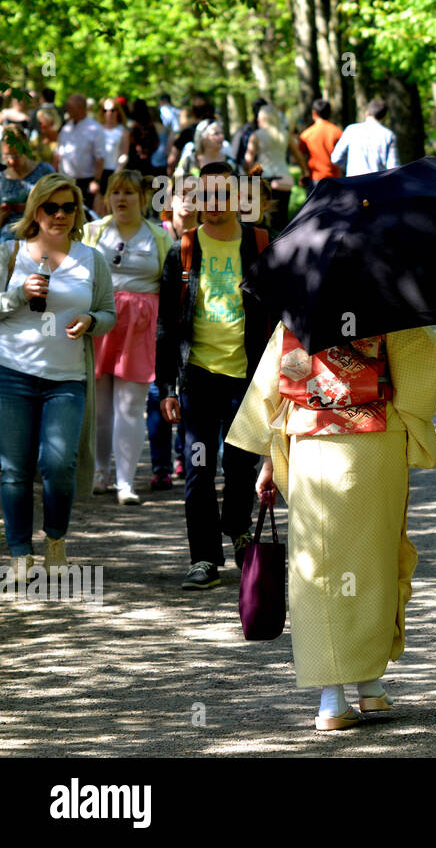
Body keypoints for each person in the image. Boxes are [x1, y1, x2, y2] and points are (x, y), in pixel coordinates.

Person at [226, 320, 436, 731]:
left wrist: (270, 460)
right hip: (375, 442)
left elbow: (274, 386)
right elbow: (422, 372)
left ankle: (335, 698)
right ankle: (370, 684)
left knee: (319, 567)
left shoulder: (301, 308)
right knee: (375, 559)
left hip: (312, 443)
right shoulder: (386, 306)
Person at [155, 161, 271, 590]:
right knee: (199, 469)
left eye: (222, 196)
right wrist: (166, 387)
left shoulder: (260, 245)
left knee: (240, 465)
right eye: (205, 196)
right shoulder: (184, 249)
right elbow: (166, 325)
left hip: (248, 377)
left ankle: (239, 533)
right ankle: (204, 557)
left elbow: (280, 312)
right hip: (198, 377)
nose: (213, 205)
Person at [0, 174, 116, 582]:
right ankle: (19, 555)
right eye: (52, 207)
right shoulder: (9, 252)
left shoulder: (92, 258)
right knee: (13, 470)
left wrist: (90, 319)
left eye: (69, 207)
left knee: (58, 464)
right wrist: (18, 294)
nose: (61, 215)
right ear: (36, 210)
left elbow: (108, 314)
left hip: (67, 379)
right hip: (11, 374)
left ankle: (55, 542)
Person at [85, 169, 172, 504]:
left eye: (129, 193)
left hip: (141, 327)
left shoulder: (159, 235)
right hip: (100, 323)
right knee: (100, 409)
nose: (121, 199)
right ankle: (99, 474)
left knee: (131, 406)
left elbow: (170, 283)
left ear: (143, 198)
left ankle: (125, 483)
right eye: (116, 192)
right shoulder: (93, 231)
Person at [145, 183, 199, 490]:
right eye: (183, 195)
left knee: (191, 397)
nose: (188, 202)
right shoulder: (157, 235)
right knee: (159, 395)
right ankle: (161, 466)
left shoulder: (210, 236)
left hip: (196, 331)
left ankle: (184, 456)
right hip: (158, 326)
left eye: (196, 197)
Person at [244, 105, 295, 232]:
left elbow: (248, 160)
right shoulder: (285, 134)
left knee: (264, 216)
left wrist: (248, 178)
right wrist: (305, 171)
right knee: (282, 216)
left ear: (262, 119)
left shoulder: (256, 135)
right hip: (284, 177)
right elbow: (297, 155)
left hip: (264, 178)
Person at [1, 124, 56, 242]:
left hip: (39, 233)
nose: (10, 161)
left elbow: (58, 203)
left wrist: (29, 207)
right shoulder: (2, 178)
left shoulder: (44, 171)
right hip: (8, 237)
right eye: (6, 155)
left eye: (15, 155)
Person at [56, 94, 105, 205]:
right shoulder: (66, 128)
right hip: (65, 179)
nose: (68, 111)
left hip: (85, 181)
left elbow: (100, 157)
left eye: (71, 108)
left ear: (81, 108)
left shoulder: (95, 129)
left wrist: (96, 181)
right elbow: (58, 153)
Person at [331, 98, 398, 177]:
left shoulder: (351, 130)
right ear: (384, 117)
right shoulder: (388, 135)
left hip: (354, 182)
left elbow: (335, 158)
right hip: (377, 183)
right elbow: (393, 167)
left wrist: (350, 167)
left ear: (367, 113)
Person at [299, 98, 342, 192]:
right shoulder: (337, 132)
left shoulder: (306, 134)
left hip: (314, 178)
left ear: (314, 113)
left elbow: (302, 157)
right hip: (334, 178)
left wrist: (303, 173)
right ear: (330, 113)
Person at [96, 99, 129, 211]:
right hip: (97, 171)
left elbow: (124, 154)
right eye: (105, 110)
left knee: (110, 204)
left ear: (118, 112)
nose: (109, 113)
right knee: (97, 204)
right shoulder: (97, 129)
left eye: (112, 110)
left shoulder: (122, 131)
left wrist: (119, 169)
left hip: (113, 171)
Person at [231, 97, 268, 176]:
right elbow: (235, 154)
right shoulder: (244, 131)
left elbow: (234, 154)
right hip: (247, 172)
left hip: (264, 173)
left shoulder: (244, 130)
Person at [125, 99, 161, 177]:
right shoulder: (149, 124)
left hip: (135, 159)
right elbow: (155, 142)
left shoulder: (132, 124)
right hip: (145, 159)